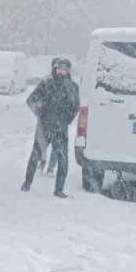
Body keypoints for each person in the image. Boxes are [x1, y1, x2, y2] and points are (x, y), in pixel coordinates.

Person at [22, 57, 80, 198]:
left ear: (68, 71)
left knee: (63, 159)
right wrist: (41, 113)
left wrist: (66, 120)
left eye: (65, 70)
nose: (62, 72)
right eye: (59, 69)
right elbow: (31, 100)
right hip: (44, 127)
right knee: (35, 155)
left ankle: (59, 189)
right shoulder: (46, 83)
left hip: (61, 129)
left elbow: (75, 107)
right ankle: (27, 184)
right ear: (54, 69)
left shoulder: (73, 87)